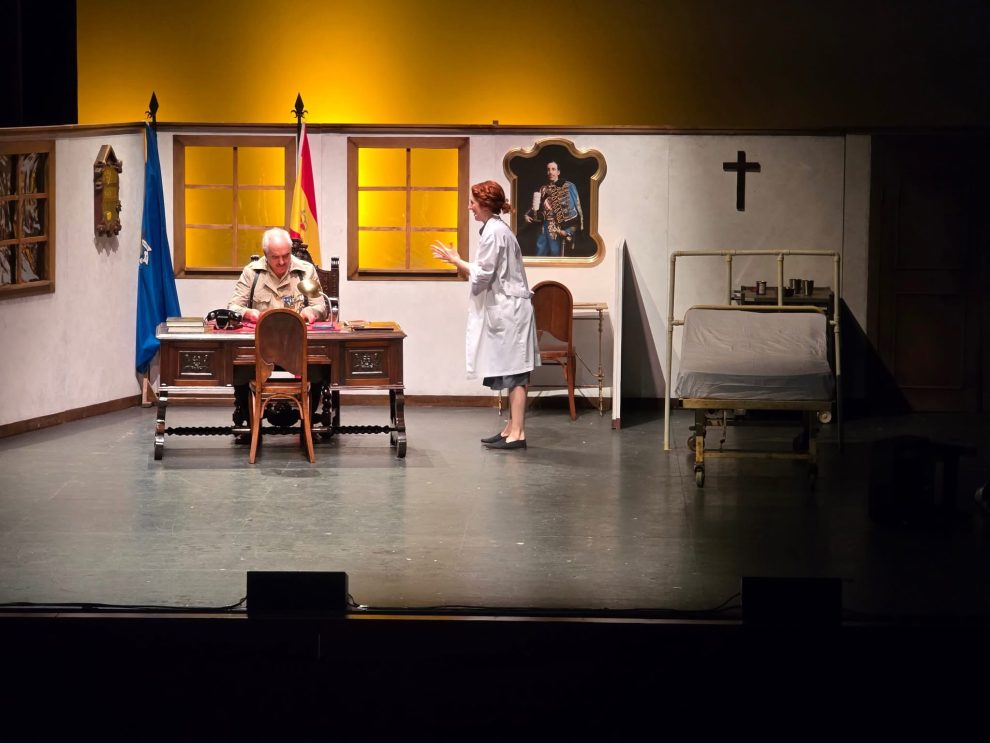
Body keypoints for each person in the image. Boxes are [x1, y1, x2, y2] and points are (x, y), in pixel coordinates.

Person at [430, 180, 540, 450]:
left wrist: (457, 261)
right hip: (508, 308)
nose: (470, 207)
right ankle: (509, 429)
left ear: (485, 205)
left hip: (511, 310)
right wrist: (461, 262)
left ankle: (518, 433)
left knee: (516, 373)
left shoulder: (494, 232)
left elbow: (483, 274)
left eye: (473, 203)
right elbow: (486, 270)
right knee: (510, 369)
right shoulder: (496, 229)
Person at [227, 227, 328, 431]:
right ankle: (251, 425)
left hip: (297, 347)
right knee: (239, 370)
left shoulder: (305, 271)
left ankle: (307, 424)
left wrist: (311, 311)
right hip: (262, 349)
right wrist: (248, 313)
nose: (282, 262)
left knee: (319, 370)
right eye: (275, 257)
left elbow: (321, 306)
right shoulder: (252, 273)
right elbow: (233, 307)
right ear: (265, 255)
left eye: (286, 256)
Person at [524, 161, 583, 257]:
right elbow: (536, 205)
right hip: (543, 226)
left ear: (558, 172)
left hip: (558, 227)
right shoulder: (543, 188)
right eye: (548, 170)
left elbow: (574, 211)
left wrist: (568, 231)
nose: (550, 172)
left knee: (555, 253)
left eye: (553, 169)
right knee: (539, 253)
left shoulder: (567, 186)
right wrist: (527, 215)